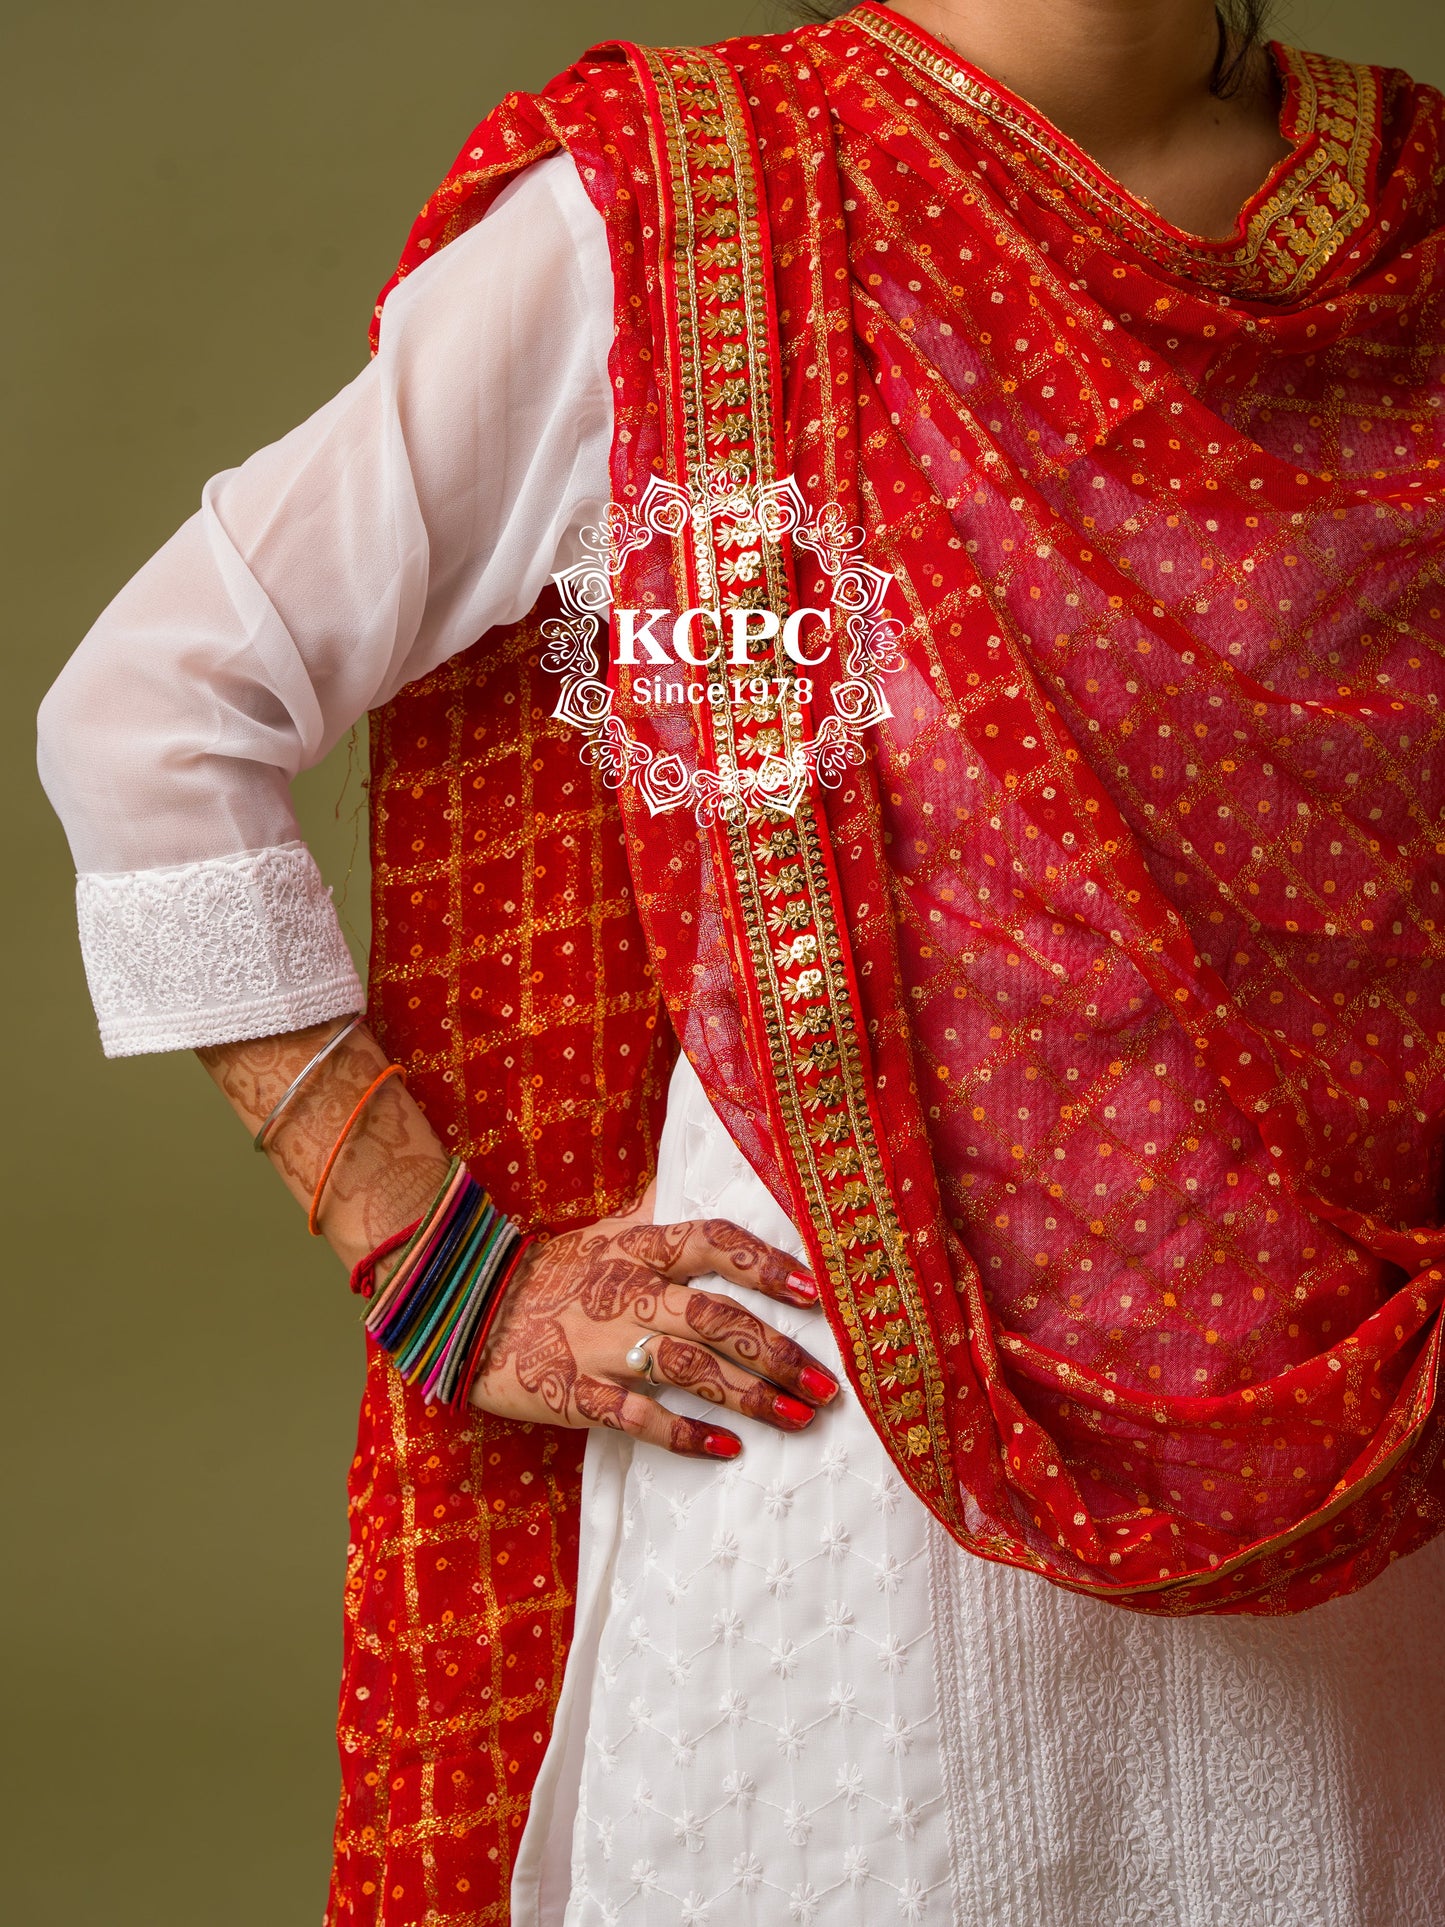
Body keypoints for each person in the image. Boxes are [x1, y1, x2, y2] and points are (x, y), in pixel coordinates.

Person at [37, 0, 1445, 1921]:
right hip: (851, 1490)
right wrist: (443, 1267)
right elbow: (150, 718)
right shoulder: (684, 218)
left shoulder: (1413, 225)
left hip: (1387, 1491)